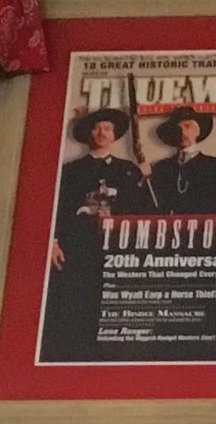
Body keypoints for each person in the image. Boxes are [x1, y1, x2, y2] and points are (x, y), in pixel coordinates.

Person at [43, 107, 148, 360]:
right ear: (89, 133)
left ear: (115, 135)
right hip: (78, 248)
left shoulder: (129, 170)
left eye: (108, 128)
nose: (103, 133)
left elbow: (140, 210)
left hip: (116, 249)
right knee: (77, 301)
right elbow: (58, 208)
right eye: (97, 127)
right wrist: (53, 242)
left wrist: (145, 179)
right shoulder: (71, 170)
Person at [142, 105, 216, 213]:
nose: (182, 132)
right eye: (177, 129)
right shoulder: (161, 167)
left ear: (198, 131)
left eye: (187, 126)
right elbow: (152, 205)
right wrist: (146, 178)